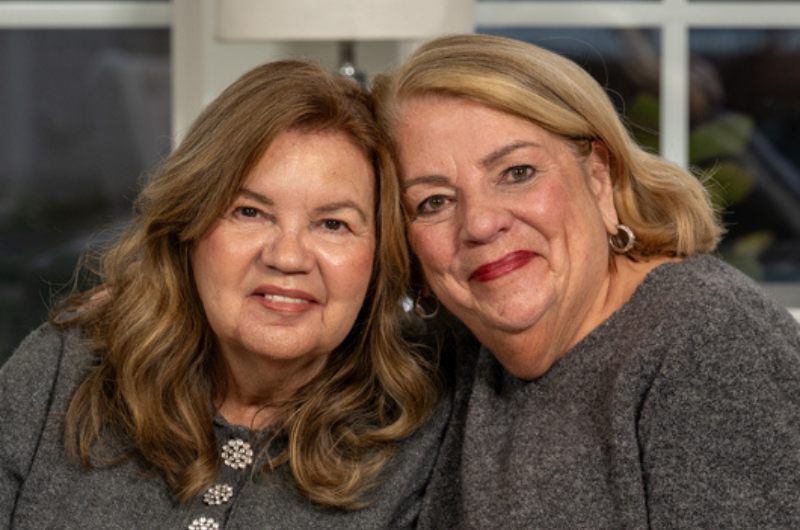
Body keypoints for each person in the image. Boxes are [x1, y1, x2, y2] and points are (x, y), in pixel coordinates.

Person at [373, 34, 800, 529]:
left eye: (517, 172)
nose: (480, 224)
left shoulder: (710, 343)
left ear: (598, 178)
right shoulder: (454, 359)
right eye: (434, 202)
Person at [0, 60, 447, 529]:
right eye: (250, 211)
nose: (287, 256)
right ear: (189, 225)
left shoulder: (425, 425)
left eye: (333, 224)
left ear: (381, 257)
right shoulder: (68, 365)